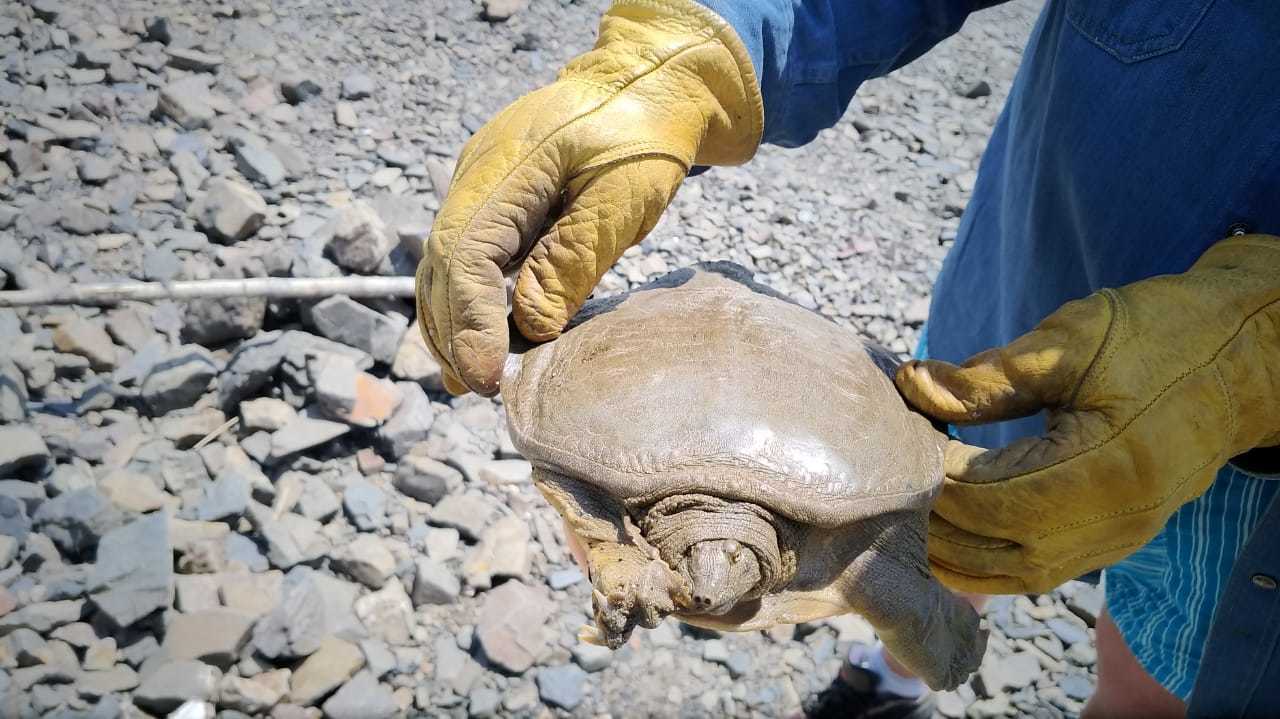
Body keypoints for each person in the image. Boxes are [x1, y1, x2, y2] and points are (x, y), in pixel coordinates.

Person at [413, 0, 1280, 716]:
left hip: (1251, 465)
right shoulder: (839, 523)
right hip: (1020, 311)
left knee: (1170, 655)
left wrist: (1266, 348)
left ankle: (919, 674)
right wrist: (706, 47)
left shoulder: (846, 534)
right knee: (953, 522)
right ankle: (902, 678)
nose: (711, 587)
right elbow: (578, 484)